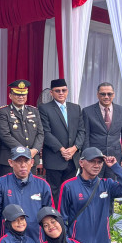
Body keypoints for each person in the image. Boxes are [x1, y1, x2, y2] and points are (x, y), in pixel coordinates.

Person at [0, 146, 52, 243]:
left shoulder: (43, 185)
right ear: (10, 163)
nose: (23, 165)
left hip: (35, 239)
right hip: (9, 240)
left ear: (32, 162)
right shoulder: (0, 183)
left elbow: (48, 215)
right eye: (18, 161)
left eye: (26, 161)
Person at [38, 78, 85, 209]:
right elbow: (45, 133)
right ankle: (54, 217)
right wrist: (62, 149)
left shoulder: (76, 108)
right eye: (57, 91)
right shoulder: (44, 108)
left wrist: (74, 149)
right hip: (55, 157)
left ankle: (67, 216)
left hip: (72, 158)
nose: (61, 93)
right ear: (51, 93)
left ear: (67, 91)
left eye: (63, 90)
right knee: (54, 191)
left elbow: (81, 131)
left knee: (69, 190)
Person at [0, 80, 44, 177]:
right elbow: (5, 135)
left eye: (23, 95)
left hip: (31, 158)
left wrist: (35, 150)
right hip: (11, 159)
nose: (21, 97)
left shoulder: (34, 111)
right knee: (9, 189)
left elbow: (40, 133)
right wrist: (24, 152)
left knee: (31, 189)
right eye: (17, 94)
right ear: (10, 96)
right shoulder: (3, 112)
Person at [83, 82, 122, 177]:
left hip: (114, 157)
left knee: (113, 186)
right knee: (94, 187)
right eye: (103, 94)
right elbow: (86, 137)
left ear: (113, 94)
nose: (106, 97)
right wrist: (86, 157)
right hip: (94, 158)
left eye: (109, 94)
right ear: (97, 95)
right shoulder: (87, 111)